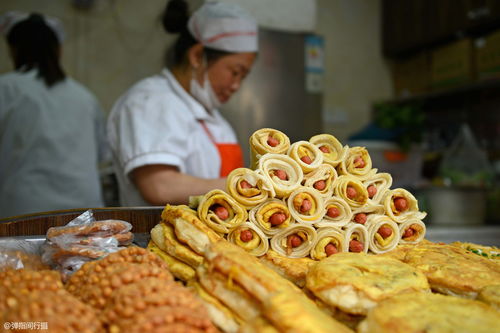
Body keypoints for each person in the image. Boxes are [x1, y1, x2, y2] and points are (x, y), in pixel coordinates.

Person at [108, 0, 258, 206]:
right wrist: (248, 186)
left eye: (243, 76)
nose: (236, 86)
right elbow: (159, 185)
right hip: (162, 234)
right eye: (235, 72)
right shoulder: (151, 100)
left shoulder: (216, 119)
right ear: (197, 56)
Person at [0, 12, 107, 218]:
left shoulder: (6, 89)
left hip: (22, 213)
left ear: (13, 50)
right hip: (83, 213)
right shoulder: (84, 96)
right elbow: (102, 154)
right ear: (58, 50)